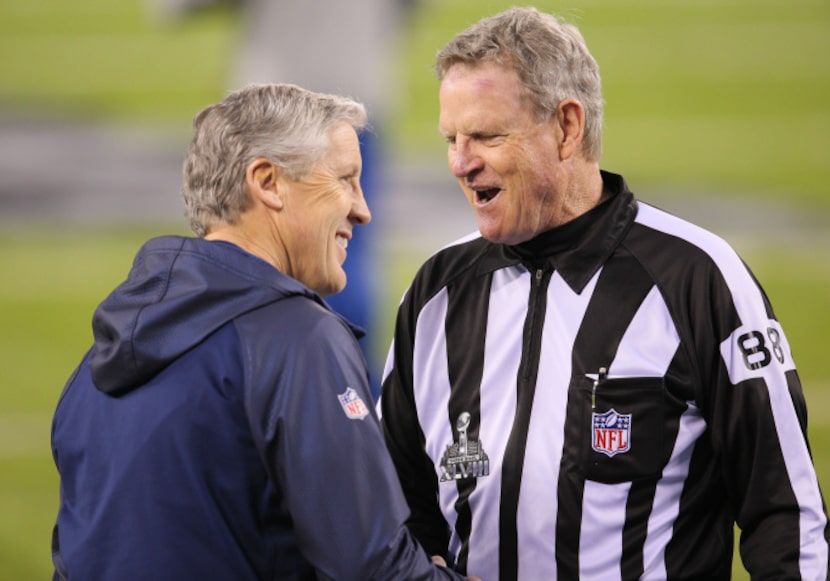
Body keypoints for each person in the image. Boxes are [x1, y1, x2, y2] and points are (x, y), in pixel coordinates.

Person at [379, 7, 830, 580]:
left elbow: (786, 515)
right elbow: (395, 506)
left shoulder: (698, 278)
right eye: (452, 138)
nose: (461, 163)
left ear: (567, 128)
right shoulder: (436, 293)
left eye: (486, 136)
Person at [50, 83, 475, 581]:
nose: (363, 209)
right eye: (345, 179)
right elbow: (370, 567)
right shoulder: (296, 340)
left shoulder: (96, 365)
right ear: (268, 182)